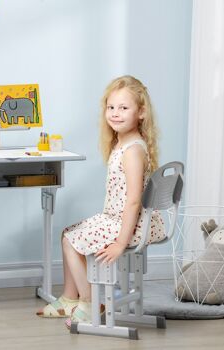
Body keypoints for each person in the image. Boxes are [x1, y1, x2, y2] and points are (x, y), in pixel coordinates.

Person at [36, 75, 165, 329]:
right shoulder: (123, 142)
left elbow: (133, 201)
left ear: (141, 112)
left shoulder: (133, 151)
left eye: (123, 108)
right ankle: (69, 298)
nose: (115, 113)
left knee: (71, 242)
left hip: (129, 224)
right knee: (68, 233)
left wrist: (120, 242)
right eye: (111, 107)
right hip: (121, 219)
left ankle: (90, 301)